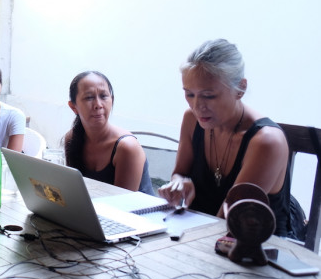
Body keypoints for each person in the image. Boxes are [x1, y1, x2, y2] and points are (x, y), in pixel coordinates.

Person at [159, 39, 302, 239]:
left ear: (240, 89)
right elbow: (180, 173)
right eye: (190, 94)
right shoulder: (191, 119)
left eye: (209, 96)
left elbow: (228, 223)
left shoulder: (267, 141)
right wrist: (180, 184)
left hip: (255, 249)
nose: (197, 106)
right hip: (200, 236)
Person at [63, 71, 154, 195]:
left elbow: (121, 206)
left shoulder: (126, 148)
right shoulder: (72, 139)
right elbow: (75, 193)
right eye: (89, 97)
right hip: (92, 212)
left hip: (132, 213)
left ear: (112, 100)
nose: (98, 105)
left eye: (103, 96)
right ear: (73, 107)